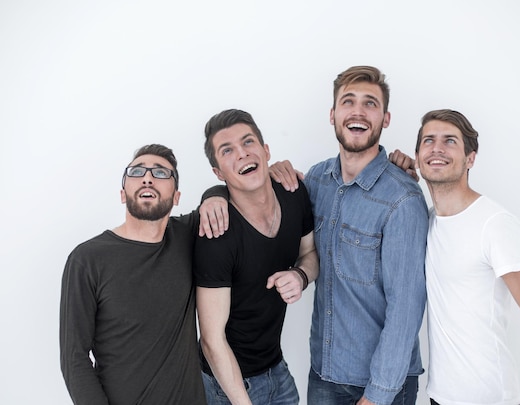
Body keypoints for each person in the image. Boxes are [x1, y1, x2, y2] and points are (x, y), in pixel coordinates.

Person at [200, 66, 429, 405]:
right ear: (333, 114)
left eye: (370, 104)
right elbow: (253, 191)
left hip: (381, 384)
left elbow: (406, 312)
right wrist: (214, 193)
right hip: (323, 375)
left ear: (386, 118)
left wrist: (378, 395)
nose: (358, 111)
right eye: (348, 101)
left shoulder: (403, 199)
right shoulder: (316, 182)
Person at [414, 109, 520, 405]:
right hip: (439, 396)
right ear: (418, 156)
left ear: (470, 158)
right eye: (429, 140)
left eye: (450, 141)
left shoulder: (494, 223)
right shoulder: (428, 220)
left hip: (491, 398)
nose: (437, 148)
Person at [59, 144, 206, 405]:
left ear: (176, 196)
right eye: (137, 172)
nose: (148, 177)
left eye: (161, 173)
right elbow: (74, 358)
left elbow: (230, 198)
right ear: (123, 193)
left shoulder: (187, 236)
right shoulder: (87, 259)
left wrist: (215, 195)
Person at [193, 109, 319, 404]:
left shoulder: (293, 192)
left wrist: (300, 275)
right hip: (227, 385)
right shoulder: (216, 234)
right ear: (218, 173)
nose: (242, 154)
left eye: (248, 142)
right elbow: (212, 341)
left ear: (265, 151)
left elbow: (310, 253)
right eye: (227, 151)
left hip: (277, 370)